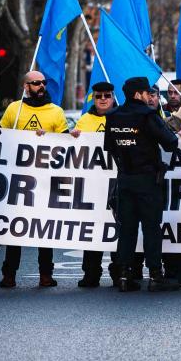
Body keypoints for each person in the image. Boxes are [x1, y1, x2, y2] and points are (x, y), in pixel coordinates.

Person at [104, 76, 181, 292]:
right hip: (148, 180)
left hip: (125, 180)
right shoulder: (148, 115)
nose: (150, 96)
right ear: (138, 94)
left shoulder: (113, 115)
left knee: (126, 230)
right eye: (147, 93)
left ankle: (125, 277)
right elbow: (171, 142)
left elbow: (109, 146)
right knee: (151, 229)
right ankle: (156, 276)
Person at [0, 70, 68, 288]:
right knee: (15, 230)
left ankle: (46, 274)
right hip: (19, 180)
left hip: (46, 182)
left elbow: (66, 146)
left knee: (44, 229)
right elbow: (1, 137)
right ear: (26, 87)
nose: (41, 86)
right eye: (36, 83)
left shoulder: (56, 112)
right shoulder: (14, 110)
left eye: (43, 83)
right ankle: (9, 274)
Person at [75, 82, 124, 288]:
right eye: (98, 96)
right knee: (93, 229)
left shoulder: (122, 117)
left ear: (113, 97)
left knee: (117, 230)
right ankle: (91, 273)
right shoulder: (85, 120)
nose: (103, 99)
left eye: (107, 95)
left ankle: (117, 271)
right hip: (93, 187)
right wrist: (72, 137)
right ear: (93, 99)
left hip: (118, 184)